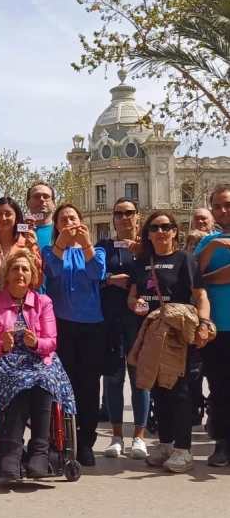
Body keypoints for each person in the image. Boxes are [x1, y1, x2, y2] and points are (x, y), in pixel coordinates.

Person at [0, 248, 76, 481]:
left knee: (43, 379)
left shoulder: (43, 302)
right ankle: (11, 452)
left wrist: (36, 343)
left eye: (25, 269)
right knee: (19, 379)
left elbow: (51, 342)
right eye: (15, 268)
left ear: (32, 275)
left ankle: (39, 453)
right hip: (4, 360)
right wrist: (2, 345)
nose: (20, 273)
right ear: (6, 275)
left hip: (39, 359)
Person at [129, 211, 211, 473]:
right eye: (154, 227)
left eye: (166, 227)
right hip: (154, 334)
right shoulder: (142, 262)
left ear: (175, 231)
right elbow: (133, 296)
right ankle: (164, 444)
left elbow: (200, 296)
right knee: (159, 391)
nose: (160, 231)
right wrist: (137, 304)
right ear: (148, 233)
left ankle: (184, 449)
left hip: (179, 334)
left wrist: (204, 324)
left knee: (181, 393)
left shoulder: (185, 259)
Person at [41, 203, 106, 467]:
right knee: (61, 384)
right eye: (63, 219)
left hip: (91, 325)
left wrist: (85, 244)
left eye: (73, 218)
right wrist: (62, 244)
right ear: (56, 225)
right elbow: (52, 271)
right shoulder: (49, 251)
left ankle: (86, 442)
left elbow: (97, 273)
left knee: (88, 385)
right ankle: (60, 439)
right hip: (61, 324)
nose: (68, 222)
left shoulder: (95, 250)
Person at [98, 198, 149, 460]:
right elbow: (91, 275)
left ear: (138, 216)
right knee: (114, 379)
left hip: (139, 321)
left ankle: (139, 436)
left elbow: (155, 276)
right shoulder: (104, 246)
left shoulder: (147, 248)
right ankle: (116, 436)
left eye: (129, 213)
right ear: (113, 218)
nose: (124, 217)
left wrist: (133, 288)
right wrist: (109, 279)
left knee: (140, 379)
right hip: (111, 320)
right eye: (119, 213)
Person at [194, 184, 230, 467]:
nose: (222, 211)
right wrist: (215, 245)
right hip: (217, 327)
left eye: (227, 204)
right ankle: (221, 443)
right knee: (218, 387)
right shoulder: (209, 241)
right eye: (217, 206)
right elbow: (194, 275)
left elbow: (209, 277)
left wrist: (209, 277)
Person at [26, 183, 56, 251]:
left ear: (53, 203)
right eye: (36, 196)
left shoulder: (61, 230)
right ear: (27, 204)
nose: (42, 200)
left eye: (46, 196)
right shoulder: (17, 232)